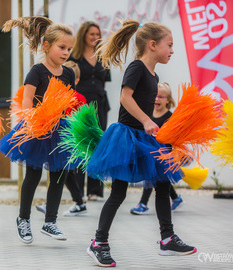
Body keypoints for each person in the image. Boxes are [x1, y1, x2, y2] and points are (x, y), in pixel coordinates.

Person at [82, 20, 197, 267]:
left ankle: (167, 238)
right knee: (119, 192)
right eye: (170, 45)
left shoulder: (155, 75)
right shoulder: (137, 67)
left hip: (143, 139)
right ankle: (98, 242)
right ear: (152, 45)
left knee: (163, 183)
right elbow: (125, 97)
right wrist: (146, 120)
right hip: (126, 138)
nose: (172, 50)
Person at [0, 17, 77, 244]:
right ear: (46, 46)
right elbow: (26, 103)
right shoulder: (37, 71)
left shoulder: (69, 74)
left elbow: (68, 103)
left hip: (60, 130)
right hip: (37, 129)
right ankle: (23, 219)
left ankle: (50, 222)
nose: (66, 52)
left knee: (59, 175)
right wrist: (36, 122)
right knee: (33, 175)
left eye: (69, 49)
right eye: (61, 47)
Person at [35, 61, 88, 217]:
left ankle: (72, 202)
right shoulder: (56, 97)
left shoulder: (78, 98)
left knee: (63, 172)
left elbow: (81, 120)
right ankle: (77, 202)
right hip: (57, 140)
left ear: (75, 80)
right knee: (63, 173)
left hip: (69, 140)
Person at [68, 21, 111, 202]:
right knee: (81, 144)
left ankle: (94, 190)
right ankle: (77, 190)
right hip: (81, 104)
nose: (95, 37)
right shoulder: (75, 56)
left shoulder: (103, 55)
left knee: (98, 144)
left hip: (100, 104)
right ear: (84, 35)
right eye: (91, 34)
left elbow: (104, 81)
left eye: (97, 34)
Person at [130, 82, 184, 215]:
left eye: (161, 97)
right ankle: (176, 198)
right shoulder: (148, 115)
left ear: (168, 100)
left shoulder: (170, 117)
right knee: (160, 179)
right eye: (155, 96)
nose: (156, 99)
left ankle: (143, 203)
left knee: (153, 177)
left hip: (164, 154)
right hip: (150, 152)